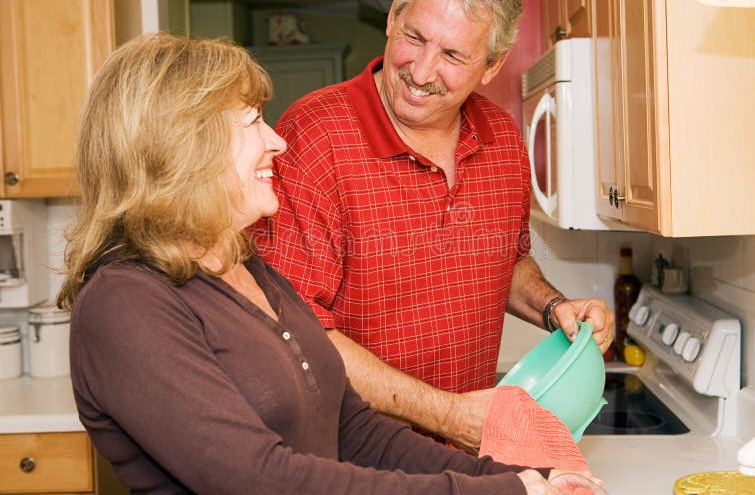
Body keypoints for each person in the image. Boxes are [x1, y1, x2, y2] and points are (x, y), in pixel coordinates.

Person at [56, 32, 605, 494]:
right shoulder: (125, 304)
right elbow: (260, 479)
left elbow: (355, 430)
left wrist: (524, 477)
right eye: (251, 123)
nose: (277, 142)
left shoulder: (248, 267)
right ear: (181, 148)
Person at [254, 0, 615, 451]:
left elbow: (501, 262)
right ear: (391, 19)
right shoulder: (317, 135)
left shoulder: (503, 142)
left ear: (492, 65)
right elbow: (294, 331)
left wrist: (555, 309)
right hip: (350, 463)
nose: (421, 72)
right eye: (414, 37)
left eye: (452, 54)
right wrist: (449, 415)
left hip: (467, 459)